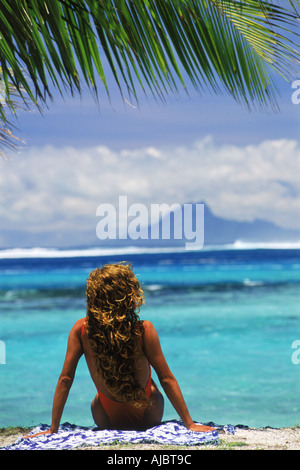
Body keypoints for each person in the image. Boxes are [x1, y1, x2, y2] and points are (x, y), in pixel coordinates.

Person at [26, 263, 214, 437]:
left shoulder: (81, 329)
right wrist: (189, 424)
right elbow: (167, 378)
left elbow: (66, 379)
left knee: (100, 394)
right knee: (154, 383)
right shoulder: (143, 329)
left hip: (105, 416)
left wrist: (53, 428)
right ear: (129, 295)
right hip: (149, 411)